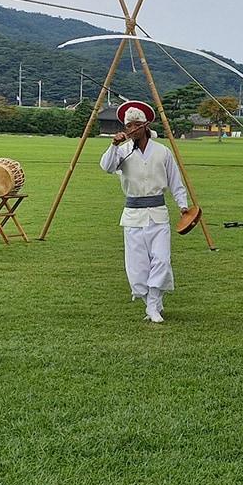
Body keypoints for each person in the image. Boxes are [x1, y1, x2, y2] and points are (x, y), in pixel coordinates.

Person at [99, 100, 191, 323]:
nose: (130, 129)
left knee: (161, 259)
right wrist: (113, 145)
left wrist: (183, 206)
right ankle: (151, 300)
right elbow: (107, 166)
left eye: (135, 125)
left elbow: (175, 182)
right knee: (137, 265)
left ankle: (152, 305)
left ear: (145, 126)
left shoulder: (162, 152)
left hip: (158, 214)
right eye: (128, 125)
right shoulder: (122, 151)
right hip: (132, 216)